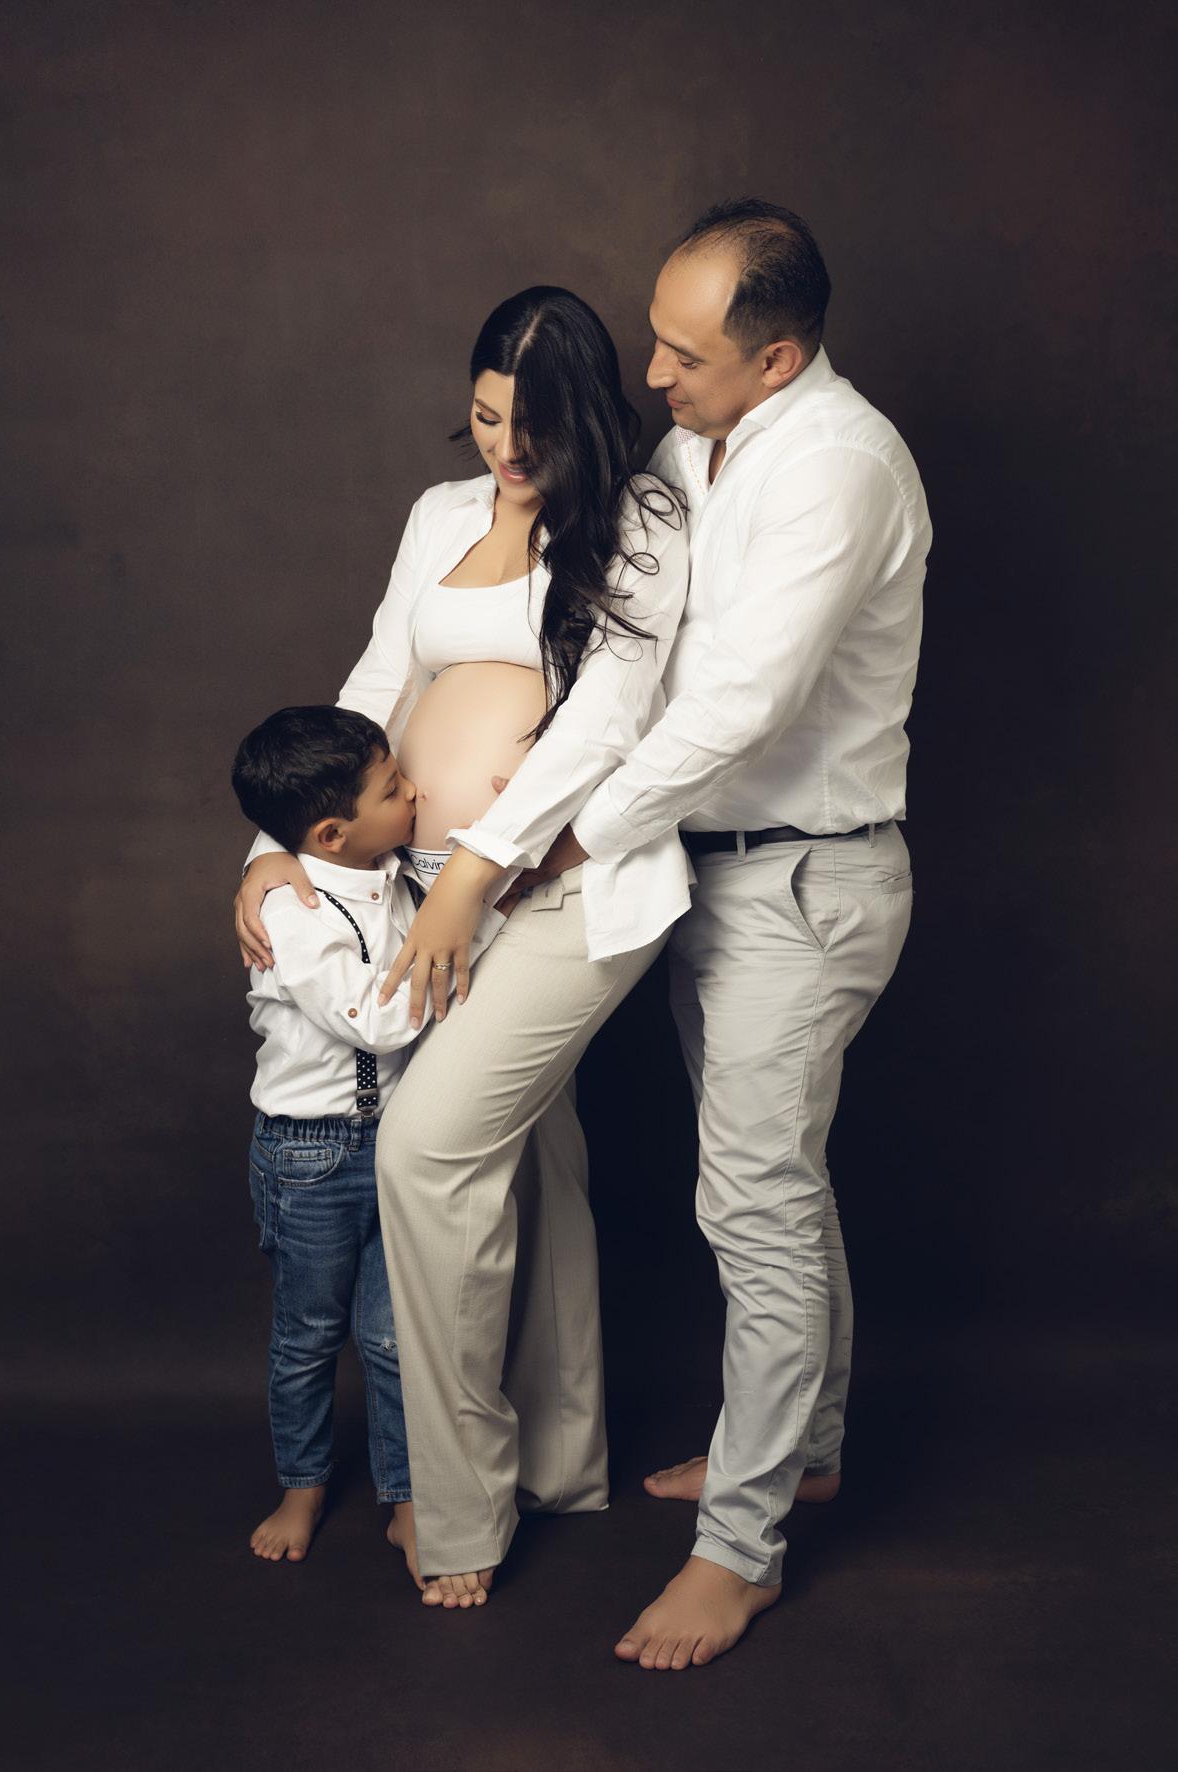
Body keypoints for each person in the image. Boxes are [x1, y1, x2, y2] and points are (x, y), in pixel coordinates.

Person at [234, 287, 691, 1609]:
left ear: (588, 417)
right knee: (532, 1157)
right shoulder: (441, 515)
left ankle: (456, 1499)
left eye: (533, 424)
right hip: (412, 882)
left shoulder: (640, 522)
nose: (506, 447)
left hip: (550, 889)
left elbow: (607, 720)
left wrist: (475, 872)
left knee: (430, 1152)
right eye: (487, 417)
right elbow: (376, 685)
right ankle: (561, 1458)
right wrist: (277, 848)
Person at [526, 200, 932, 1667]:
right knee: (774, 1190)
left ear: (777, 358)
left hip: (807, 888)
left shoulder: (837, 467)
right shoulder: (699, 442)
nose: (651, 374)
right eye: (654, 339)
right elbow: (634, 642)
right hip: (720, 879)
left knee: (751, 1206)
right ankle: (803, 1450)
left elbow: (741, 704)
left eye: (683, 355)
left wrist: (579, 831)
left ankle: (740, 1547)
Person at [230, 704, 503, 1576]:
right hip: (308, 1157)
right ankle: (303, 1486)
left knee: (394, 1337)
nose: (415, 792)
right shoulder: (290, 911)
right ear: (330, 834)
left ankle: (408, 1499)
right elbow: (376, 1020)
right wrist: (459, 941)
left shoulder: (393, 872)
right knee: (308, 1336)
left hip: (396, 1144)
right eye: (393, 789)